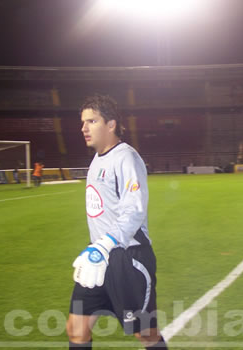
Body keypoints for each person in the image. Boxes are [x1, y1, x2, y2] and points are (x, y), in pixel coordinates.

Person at [66, 94, 168, 349]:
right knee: (76, 330)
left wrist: (105, 244)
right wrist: (98, 248)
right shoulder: (97, 159)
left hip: (128, 257)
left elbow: (133, 211)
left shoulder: (126, 158)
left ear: (111, 124)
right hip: (98, 258)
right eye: (83, 122)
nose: (84, 128)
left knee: (145, 333)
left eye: (92, 121)